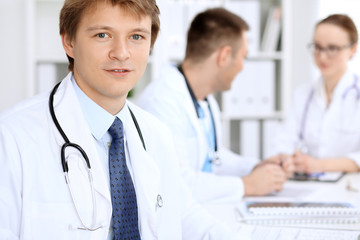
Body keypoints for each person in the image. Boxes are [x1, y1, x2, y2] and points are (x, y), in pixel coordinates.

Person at [0, 0, 239, 239]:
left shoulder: (156, 133)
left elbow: (184, 214)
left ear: (150, 45)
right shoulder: (12, 138)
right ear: (69, 42)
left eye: (136, 37)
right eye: (102, 35)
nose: (121, 53)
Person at [137, 7, 293, 204]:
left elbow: (214, 158)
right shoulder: (162, 102)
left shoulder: (205, 101)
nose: (243, 67)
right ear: (224, 56)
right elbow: (176, 184)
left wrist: (258, 167)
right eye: (243, 57)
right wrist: (248, 185)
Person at [269, 14, 360, 174]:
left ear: (353, 49)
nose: (322, 56)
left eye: (332, 48)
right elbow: (283, 141)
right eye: (317, 47)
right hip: (307, 184)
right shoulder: (302, 94)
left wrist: (319, 165)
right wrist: (286, 160)